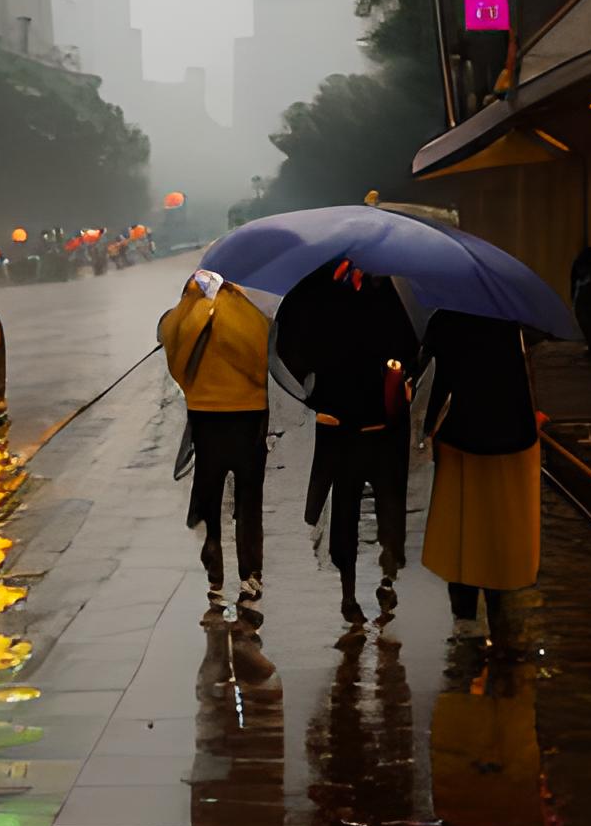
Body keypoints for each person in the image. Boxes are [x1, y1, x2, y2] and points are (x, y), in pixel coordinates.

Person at [275, 260, 419, 626]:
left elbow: (297, 350)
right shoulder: (386, 297)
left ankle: (361, 586)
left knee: (355, 508)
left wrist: (315, 398)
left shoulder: (321, 295)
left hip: (350, 427)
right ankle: (368, 582)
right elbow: (408, 352)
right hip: (374, 426)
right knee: (372, 506)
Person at [415, 305, 541, 646]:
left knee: (461, 528)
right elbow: (522, 379)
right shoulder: (506, 320)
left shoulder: (444, 320)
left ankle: (466, 616)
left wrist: (426, 430)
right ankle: (499, 610)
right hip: (509, 437)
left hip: (462, 437)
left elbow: (436, 381)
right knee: (498, 526)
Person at [159, 269, 270, 607]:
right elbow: (262, 361)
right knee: (249, 500)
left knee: (210, 489)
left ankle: (213, 559)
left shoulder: (185, 310)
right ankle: (250, 570)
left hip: (205, 416)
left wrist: (194, 390)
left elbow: (175, 360)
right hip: (248, 416)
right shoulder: (247, 311)